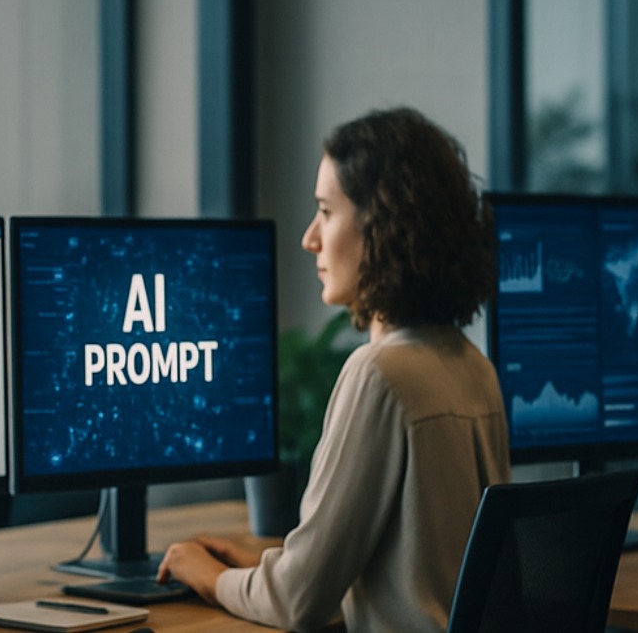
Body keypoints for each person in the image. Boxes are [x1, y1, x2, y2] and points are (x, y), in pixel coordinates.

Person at [157, 107, 512, 632]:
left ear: (382, 225)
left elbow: (298, 602)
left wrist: (205, 575)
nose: (310, 238)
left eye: (326, 211)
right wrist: (267, 571)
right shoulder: (473, 367)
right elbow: (412, 573)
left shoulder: (381, 375)